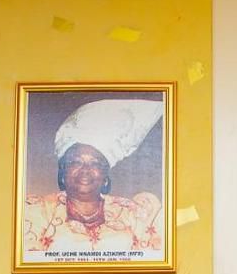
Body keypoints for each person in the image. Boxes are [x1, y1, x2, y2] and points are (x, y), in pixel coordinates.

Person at [23, 99, 164, 255]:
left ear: (105, 176)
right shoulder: (37, 210)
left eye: (95, 163)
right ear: (63, 173)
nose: (85, 169)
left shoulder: (133, 213)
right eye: (76, 161)